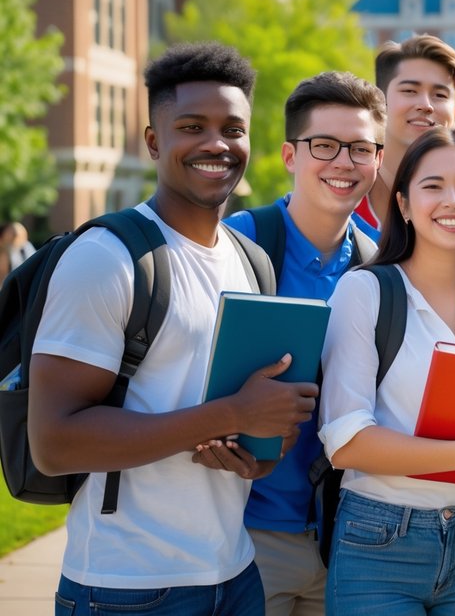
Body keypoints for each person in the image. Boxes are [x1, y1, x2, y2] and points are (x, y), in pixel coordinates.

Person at [28, 43, 319, 615]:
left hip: (235, 572)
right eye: (193, 126)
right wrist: (231, 415)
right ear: (154, 141)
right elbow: (54, 443)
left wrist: (258, 448)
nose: (217, 144)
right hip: (127, 586)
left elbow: (251, 425)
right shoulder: (108, 257)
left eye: (233, 129)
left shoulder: (250, 260)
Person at [318, 127, 455, 615]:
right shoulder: (365, 292)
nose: (452, 200)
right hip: (378, 539)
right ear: (404, 205)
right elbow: (345, 442)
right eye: (432, 186)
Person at [224, 71, 386, 616]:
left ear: (378, 161)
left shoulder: (383, 266)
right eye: (324, 145)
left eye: (361, 148)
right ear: (291, 156)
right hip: (246, 534)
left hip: (348, 537)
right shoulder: (237, 243)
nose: (344, 162)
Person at [355, 36, 455, 233]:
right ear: (379, 104)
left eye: (439, 95)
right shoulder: (343, 202)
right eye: (410, 90)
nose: (426, 105)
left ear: (454, 115)